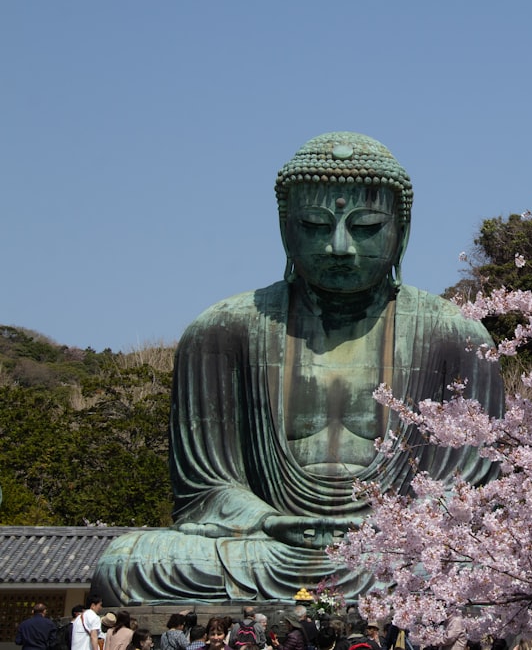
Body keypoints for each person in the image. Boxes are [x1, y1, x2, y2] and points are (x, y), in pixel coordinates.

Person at [93, 132, 502, 604]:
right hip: (267, 544)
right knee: (130, 563)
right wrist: (264, 518)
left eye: (367, 226)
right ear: (285, 228)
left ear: (401, 231)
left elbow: (469, 491)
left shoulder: (455, 337)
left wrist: (399, 524)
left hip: (397, 550)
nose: (340, 247)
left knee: (483, 570)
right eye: (314, 225)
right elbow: (206, 487)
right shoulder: (222, 331)